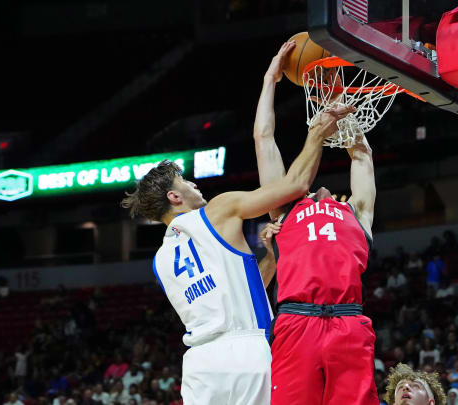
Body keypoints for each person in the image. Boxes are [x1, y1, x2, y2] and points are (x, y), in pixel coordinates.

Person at [121, 64, 353, 404]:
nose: (193, 184)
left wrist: (270, 259)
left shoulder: (160, 261)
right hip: (248, 351)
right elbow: (295, 185)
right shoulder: (216, 210)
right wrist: (317, 132)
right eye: (184, 182)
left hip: (200, 367)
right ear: (175, 197)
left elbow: (235, 290)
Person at [253, 41, 378, 405]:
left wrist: (338, 101)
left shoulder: (357, 211)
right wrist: (269, 80)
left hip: (349, 322)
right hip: (297, 320)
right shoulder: (286, 207)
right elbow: (264, 140)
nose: (322, 186)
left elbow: (362, 155)